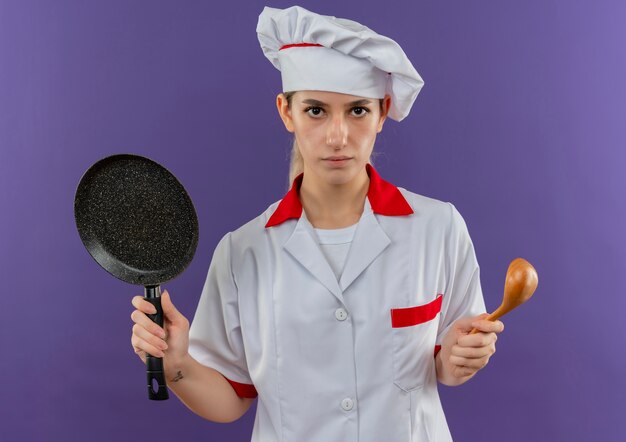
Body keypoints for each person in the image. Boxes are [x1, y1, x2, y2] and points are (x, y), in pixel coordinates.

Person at [130, 5, 504, 441]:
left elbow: (443, 367)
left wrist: (462, 360)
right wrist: (177, 366)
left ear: (383, 112)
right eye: (315, 110)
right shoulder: (242, 251)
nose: (337, 136)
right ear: (286, 112)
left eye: (358, 111)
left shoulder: (438, 229)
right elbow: (231, 396)